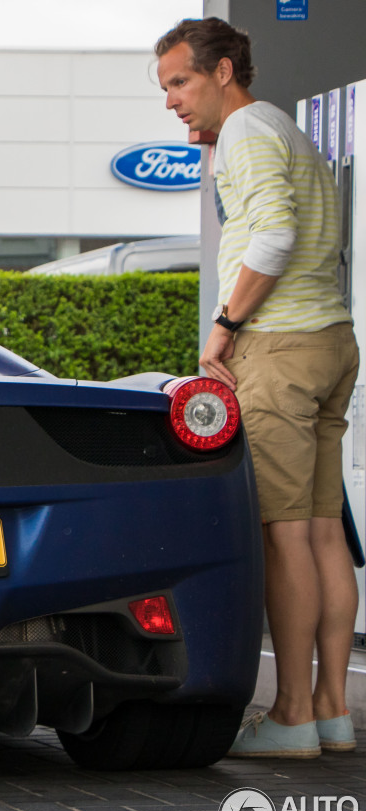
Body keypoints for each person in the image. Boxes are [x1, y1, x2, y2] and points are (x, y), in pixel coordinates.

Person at [156, 18, 359, 757]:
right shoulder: (281, 128)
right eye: (166, 87)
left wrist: (223, 325)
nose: (173, 101)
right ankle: (333, 710)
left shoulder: (243, 132)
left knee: (285, 535)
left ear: (224, 70)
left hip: (278, 350)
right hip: (332, 340)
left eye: (180, 82)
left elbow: (271, 236)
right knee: (326, 531)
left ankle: (294, 715)